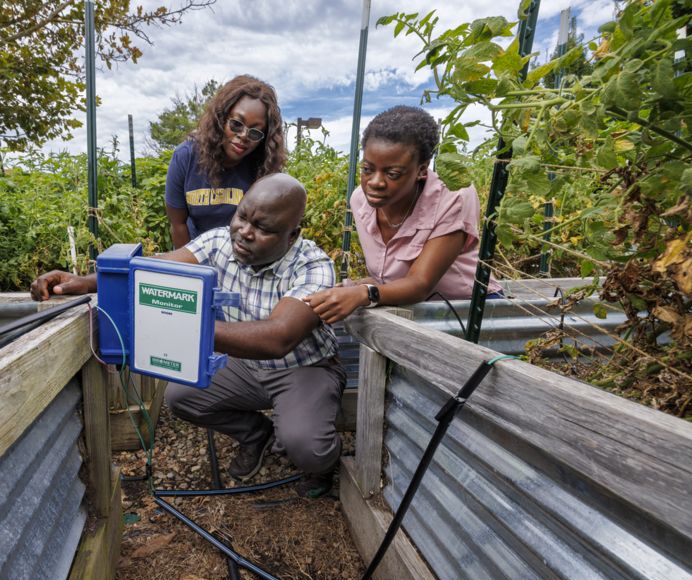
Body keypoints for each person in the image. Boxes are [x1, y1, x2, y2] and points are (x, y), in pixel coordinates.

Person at [31, 174, 345, 498]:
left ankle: (323, 466)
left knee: (306, 445)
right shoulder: (219, 242)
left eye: (263, 229)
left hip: (304, 368)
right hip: (243, 366)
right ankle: (256, 434)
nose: (244, 232)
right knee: (181, 397)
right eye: (242, 216)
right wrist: (86, 281)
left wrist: (185, 328)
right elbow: (157, 266)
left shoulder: (312, 266)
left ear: (292, 235)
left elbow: (278, 338)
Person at [304, 106, 502, 323]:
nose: (375, 182)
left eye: (393, 174)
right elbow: (389, 275)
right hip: (405, 308)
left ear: (422, 170)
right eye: (367, 169)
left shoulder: (453, 197)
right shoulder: (360, 200)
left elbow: (420, 283)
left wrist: (363, 293)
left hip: (467, 311)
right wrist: (352, 289)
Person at [165, 75, 286, 249]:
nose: (244, 136)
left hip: (243, 256)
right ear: (221, 119)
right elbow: (178, 225)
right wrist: (188, 272)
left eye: (255, 133)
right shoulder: (186, 157)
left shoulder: (263, 167)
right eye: (236, 124)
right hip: (194, 254)